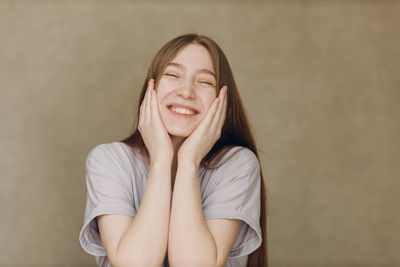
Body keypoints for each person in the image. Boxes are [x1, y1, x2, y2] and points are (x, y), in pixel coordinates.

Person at [79, 33, 267, 267]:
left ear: (222, 100)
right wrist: (161, 160)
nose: (186, 92)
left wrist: (188, 161)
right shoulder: (109, 160)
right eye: (173, 75)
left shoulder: (237, 164)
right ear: (151, 88)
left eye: (205, 82)